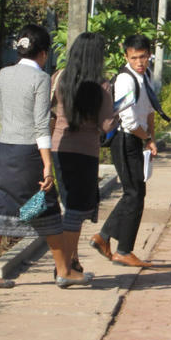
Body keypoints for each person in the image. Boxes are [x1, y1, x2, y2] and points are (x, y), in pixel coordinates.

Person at [0, 24, 89, 289]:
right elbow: (41, 125)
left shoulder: (3, 74)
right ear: (43, 52)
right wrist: (48, 164)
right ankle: (64, 270)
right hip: (30, 154)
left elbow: (4, 111)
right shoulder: (41, 79)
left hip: (5, 150)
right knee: (46, 207)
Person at [90, 34, 166, 268]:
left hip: (137, 139)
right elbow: (130, 121)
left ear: (149, 54)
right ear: (126, 56)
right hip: (124, 140)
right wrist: (146, 137)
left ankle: (105, 238)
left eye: (143, 57)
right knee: (134, 194)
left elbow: (150, 109)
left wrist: (150, 139)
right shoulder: (125, 80)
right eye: (134, 58)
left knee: (135, 193)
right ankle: (121, 248)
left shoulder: (147, 76)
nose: (139, 62)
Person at [51, 32, 118, 282]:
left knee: (68, 207)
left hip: (59, 148)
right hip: (85, 151)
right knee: (76, 211)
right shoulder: (102, 86)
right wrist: (118, 113)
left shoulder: (59, 78)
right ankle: (64, 269)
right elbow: (106, 125)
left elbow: (50, 112)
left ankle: (71, 262)